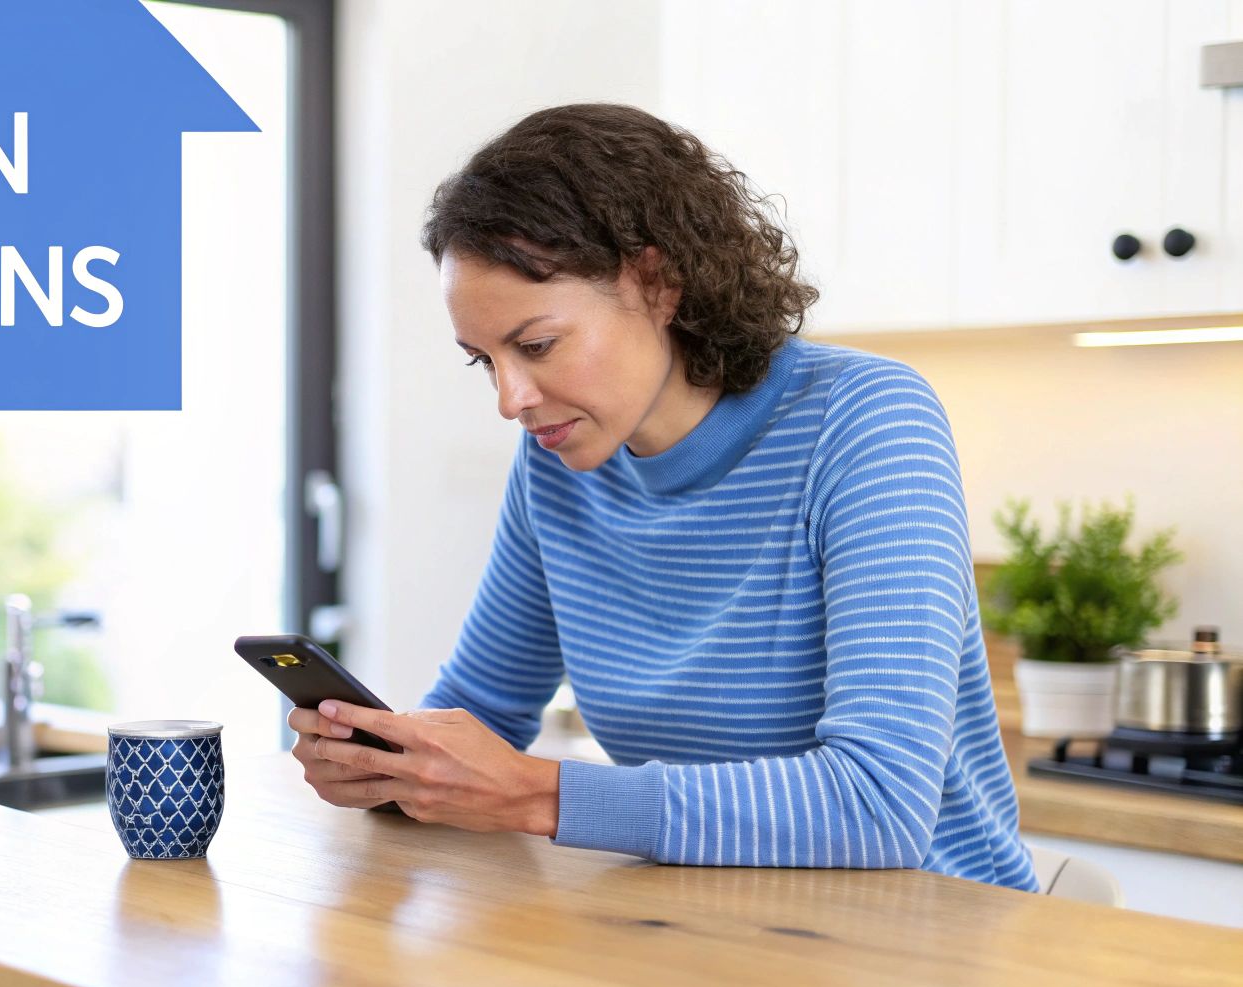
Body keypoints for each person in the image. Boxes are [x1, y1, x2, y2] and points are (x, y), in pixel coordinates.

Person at [288, 103, 1038, 891]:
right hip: (717, 934)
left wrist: (535, 793)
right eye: (485, 360)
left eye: (537, 346)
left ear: (657, 282)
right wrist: (395, 767)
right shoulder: (558, 461)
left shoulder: (865, 419)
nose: (512, 397)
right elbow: (481, 708)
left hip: (940, 943)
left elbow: (880, 803)